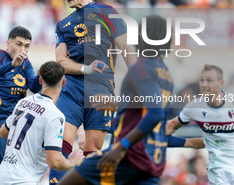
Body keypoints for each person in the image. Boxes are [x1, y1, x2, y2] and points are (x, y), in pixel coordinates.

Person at [58, 15, 203, 185]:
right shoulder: (165, 75)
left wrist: (121, 147)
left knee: (67, 181)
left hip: (129, 158)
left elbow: (154, 114)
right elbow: (148, 114)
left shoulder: (141, 68)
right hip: (150, 161)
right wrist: (122, 105)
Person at [50, 0, 136, 183]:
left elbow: (127, 49)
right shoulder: (63, 24)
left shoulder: (107, 12)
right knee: (60, 145)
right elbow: (61, 61)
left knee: (93, 149)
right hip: (72, 89)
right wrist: (85, 69)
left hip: (101, 89)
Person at [0, 61, 84, 185]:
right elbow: (54, 161)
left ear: (40, 81)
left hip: (1, 177)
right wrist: (71, 162)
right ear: (63, 82)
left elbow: (3, 132)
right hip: (24, 180)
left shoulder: (23, 102)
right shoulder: (55, 115)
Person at [0, 26, 41, 174]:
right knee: (5, 175)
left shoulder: (26, 64)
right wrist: (11, 65)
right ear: (8, 43)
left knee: (16, 175)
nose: (23, 50)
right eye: (19, 44)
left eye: (26, 46)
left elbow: (33, 86)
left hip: (15, 128)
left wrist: (42, 76)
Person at [166, 64, 234, 185]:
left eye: (209, 81)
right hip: (218, 176)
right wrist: (151, 135)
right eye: (202, 81)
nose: (204, 85)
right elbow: (170, 127)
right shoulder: (194, 107)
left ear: (221, 83)